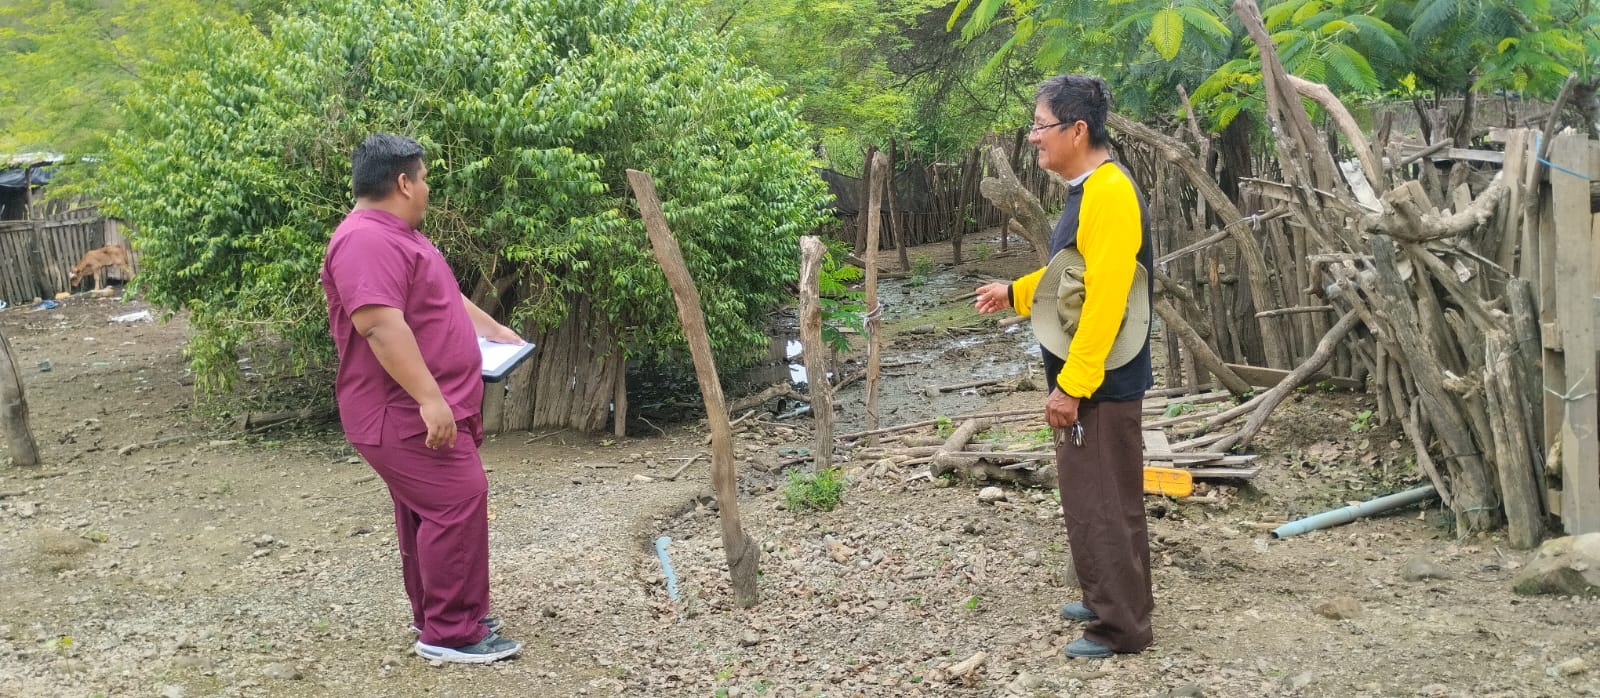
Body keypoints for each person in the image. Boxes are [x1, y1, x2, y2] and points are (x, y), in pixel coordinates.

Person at [321, 133, 526, 664]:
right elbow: (379, 326)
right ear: (404, 182)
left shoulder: (399, 234)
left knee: (427, 510)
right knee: (457, 500)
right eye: (426, 177)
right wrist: (431, 399)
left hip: (421, 405)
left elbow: (441, 297)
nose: (429, 188)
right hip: (401, 411)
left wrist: (492, 329)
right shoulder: (365, 241)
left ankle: (441, 615)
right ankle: (451, 633)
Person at [973, 75, 1155, 659]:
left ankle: (1121, 627)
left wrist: (1072, 384)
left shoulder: (1110, 193)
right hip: (1094, 378)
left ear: (1077, 130)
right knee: (1096, 494)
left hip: (1101, 381)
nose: (1033, 137)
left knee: (1102, 501)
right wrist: (1015, 292)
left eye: (1040, 126)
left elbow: (1105, 297)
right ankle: (1110, 597)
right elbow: (1071, 275)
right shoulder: (1090, 189)